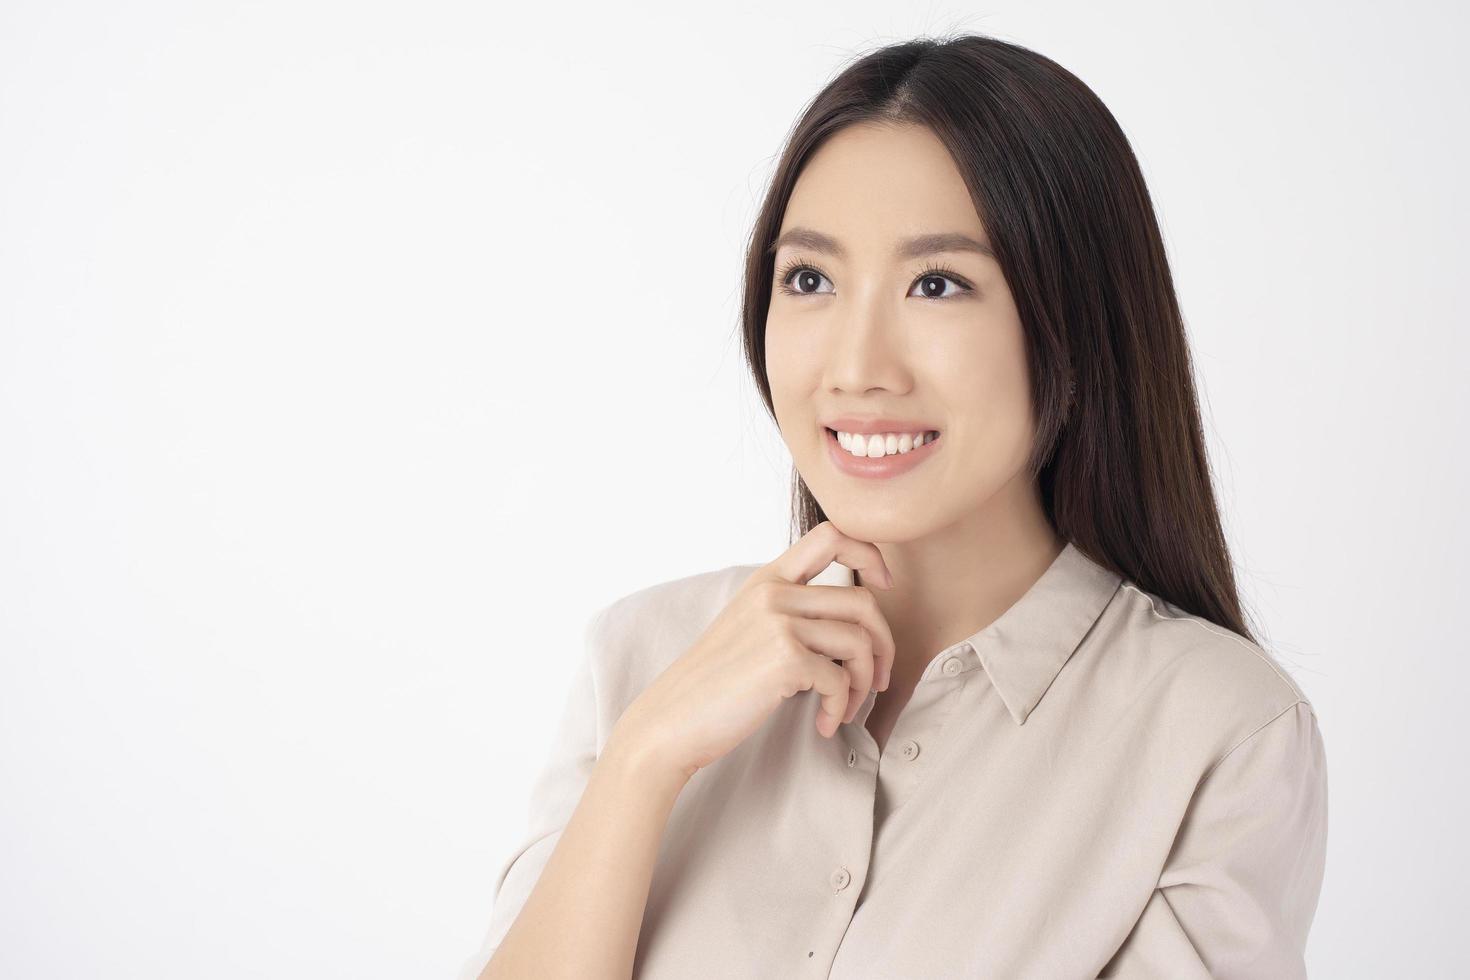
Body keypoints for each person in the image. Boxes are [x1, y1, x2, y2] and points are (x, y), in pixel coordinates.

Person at [471, 32, 1328, 980]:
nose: (857, 367)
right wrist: (643, 763)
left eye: (938, 283)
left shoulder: (1217, 733)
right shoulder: (640, 657)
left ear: (1076, 323)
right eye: (810, 280)